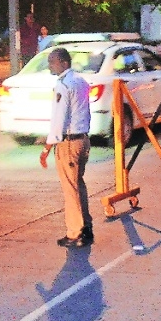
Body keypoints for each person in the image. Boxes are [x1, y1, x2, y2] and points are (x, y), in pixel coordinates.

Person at [40, 47, 93, 248]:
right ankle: (86, 228)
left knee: (71, 190)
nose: (49, 65)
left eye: (52, 61)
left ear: (63, 63)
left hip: (68, 143)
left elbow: (58, 121)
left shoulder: (62, 85)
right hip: (83, 140)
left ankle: (76, 233)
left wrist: (47, 148)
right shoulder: (80, 81)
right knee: (78, 185)